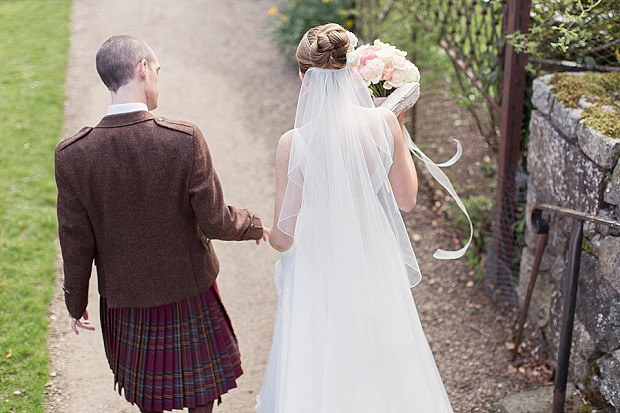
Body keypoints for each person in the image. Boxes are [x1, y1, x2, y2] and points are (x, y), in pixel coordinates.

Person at [54, 35, 269, 413]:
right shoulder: (183, 140)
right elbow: (216, 220)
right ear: (142, 69)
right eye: (156, 70)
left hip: (125, 302)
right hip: (189, 291)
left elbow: (75, 241)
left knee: (149, 396)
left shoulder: (73, 155)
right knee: (200, 394)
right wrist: (251, 224)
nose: (157, 78)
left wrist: (76, 301)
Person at [255, 24, 454, 412]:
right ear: (351, 72)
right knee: (381, 353)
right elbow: (407, 200)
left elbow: (284, 236)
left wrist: (267, 235)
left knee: (318, 356)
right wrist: (396, 128)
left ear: (303, 77)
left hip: (318, 264)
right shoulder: (383, 124)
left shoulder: (292, 143)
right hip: (370, 253)